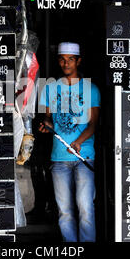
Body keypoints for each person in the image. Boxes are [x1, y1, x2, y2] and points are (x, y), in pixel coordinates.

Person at [38, 42, 100, 242]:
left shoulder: (91, 89)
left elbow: (93, 124)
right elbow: (48, 118)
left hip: (84, 157)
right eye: (62, 59)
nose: (66, 63)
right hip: (59, 158)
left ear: (78, 61)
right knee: (64, 211)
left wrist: (79, 142)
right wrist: (46, 124)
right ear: (59, 61)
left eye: (70, 59)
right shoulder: (50, 88)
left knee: (85, 208)